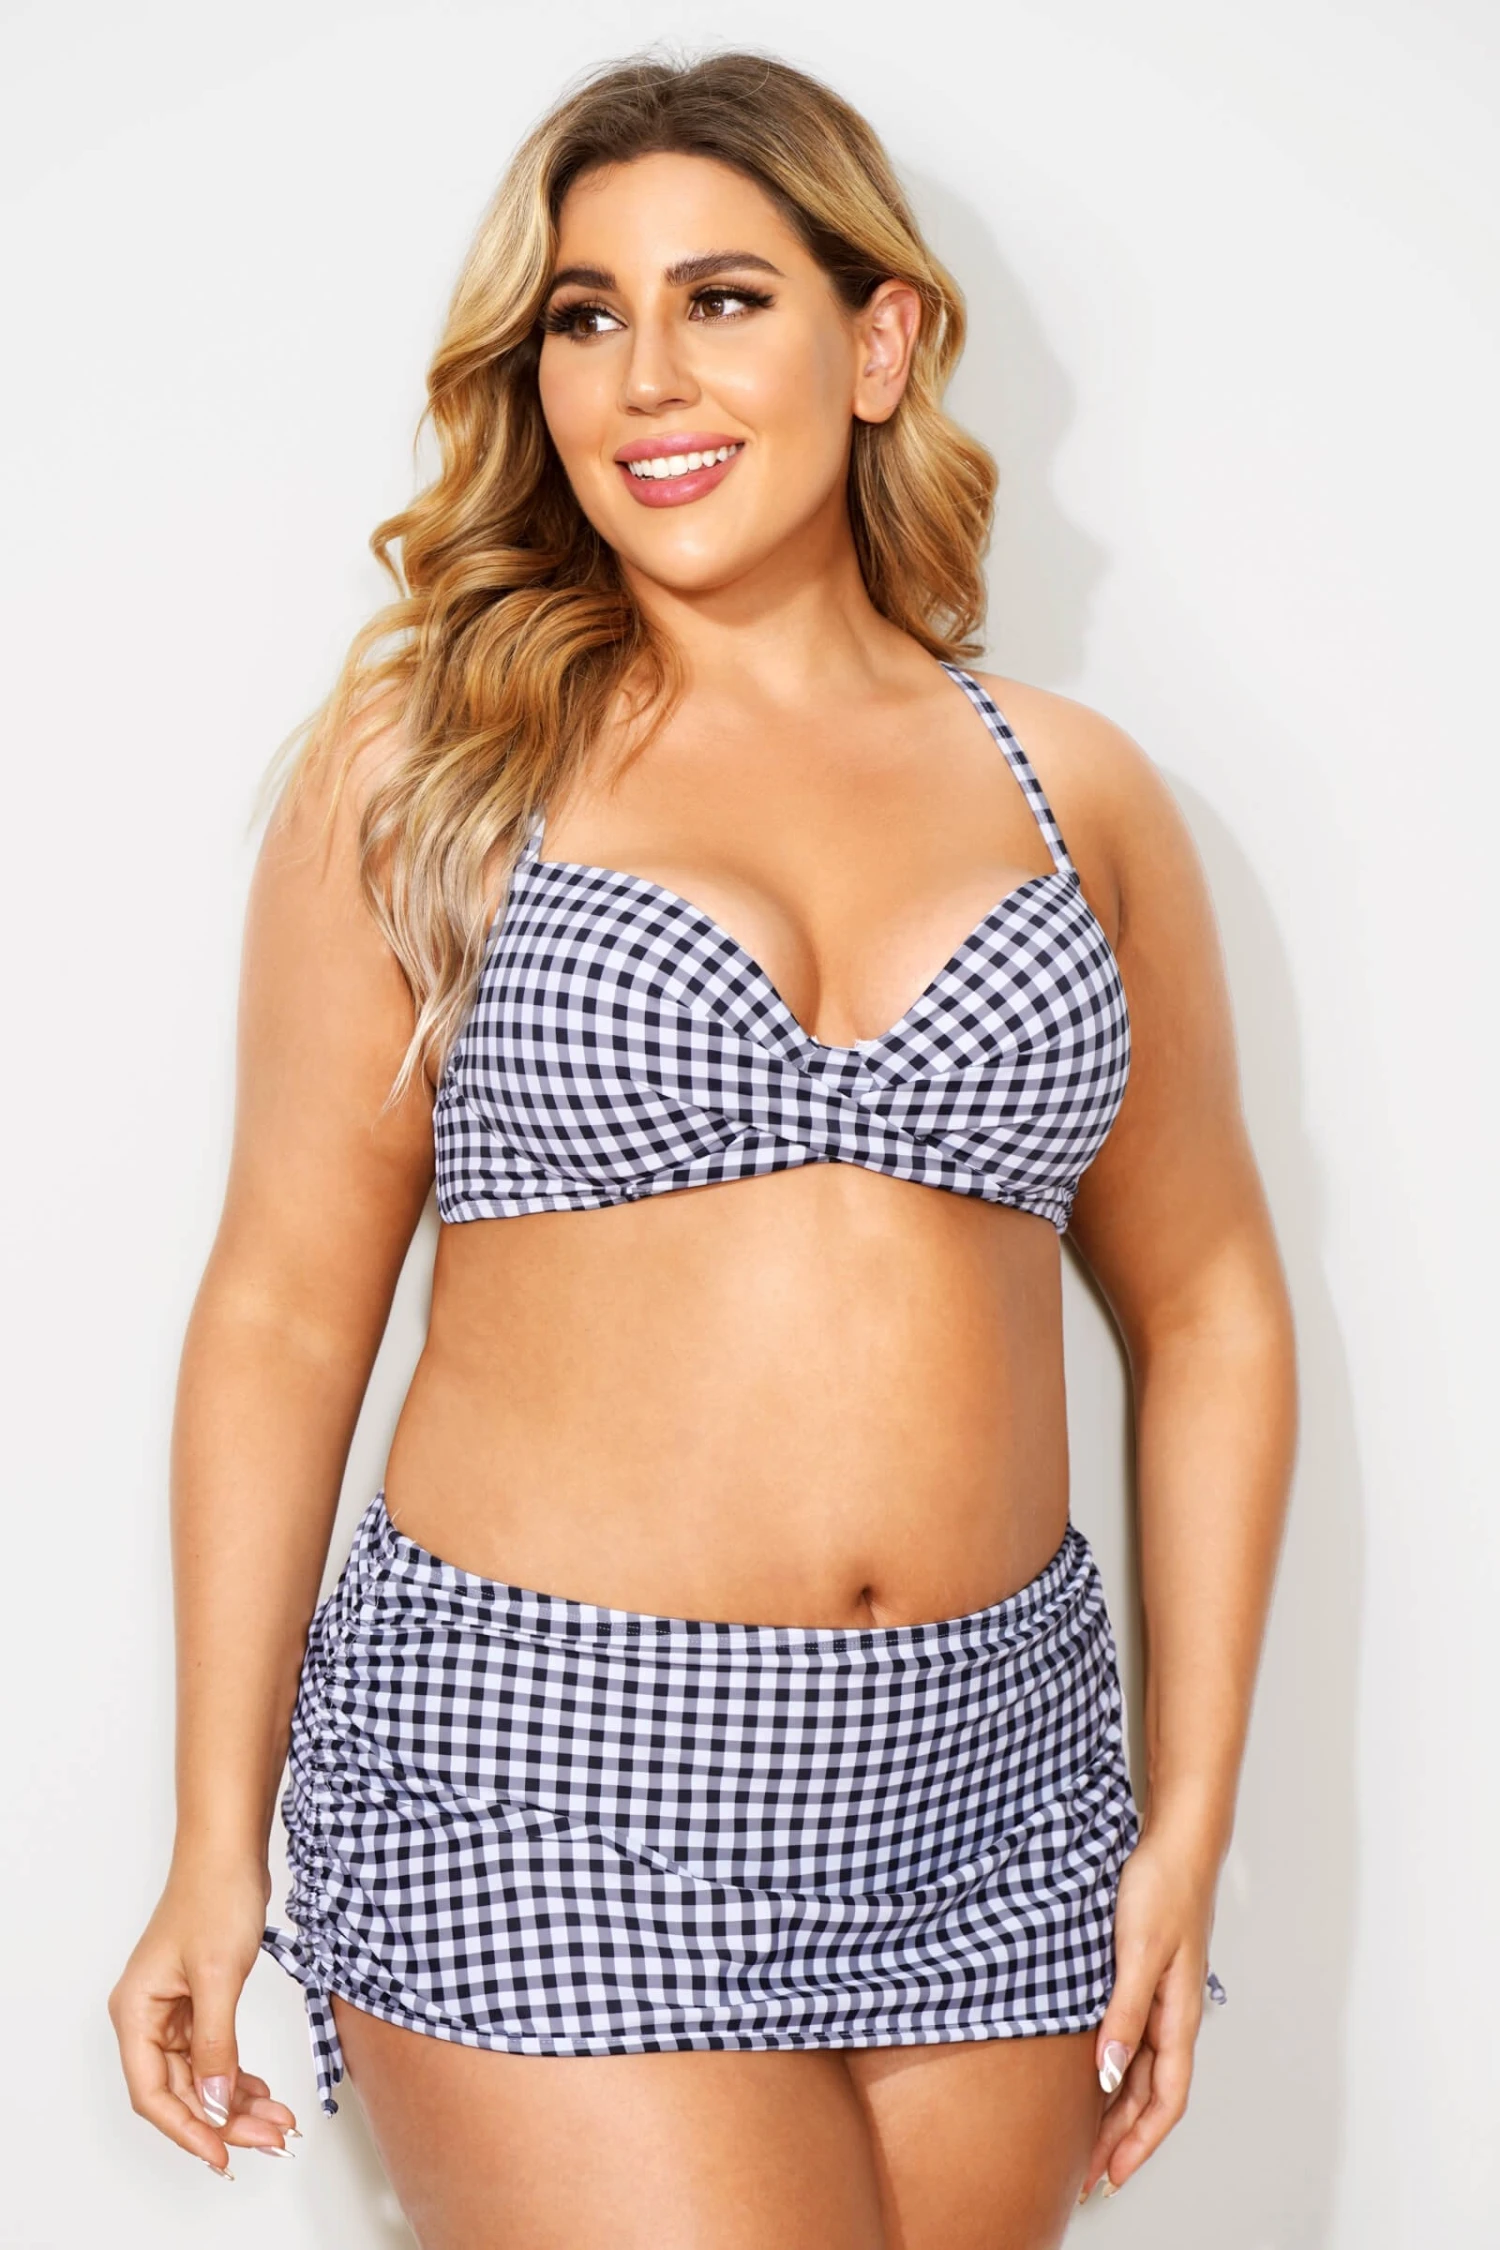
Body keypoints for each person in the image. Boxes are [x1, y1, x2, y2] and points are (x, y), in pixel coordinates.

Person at [108, 49, 1296, 2250]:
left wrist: (1190, 1815)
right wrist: (213, 1832)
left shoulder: (1077, 794)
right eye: (584, 316)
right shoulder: (432, 768)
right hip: (546, 1775)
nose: (644, 375)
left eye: (721, 299)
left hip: (996, 1786)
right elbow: (279, 1306)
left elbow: (1212, 1299)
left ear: (880, 340)